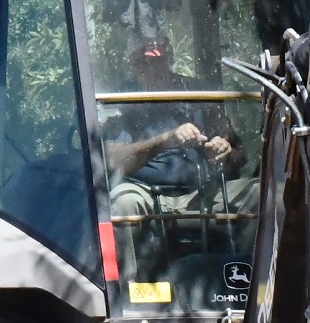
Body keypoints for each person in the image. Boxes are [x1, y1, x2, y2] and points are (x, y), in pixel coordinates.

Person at [103, 34, 247, 278]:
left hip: (203, 189)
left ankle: (262, 285)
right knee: (122, 204)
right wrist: (164, 140)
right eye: (143, 63)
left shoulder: (197, 94)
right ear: (133, 66)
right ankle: (125, 289)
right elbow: (111, 160)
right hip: (143, 190)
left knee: (259, 195)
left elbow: (240, 154)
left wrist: (224, 151)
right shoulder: (121, 100)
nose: (151, 69)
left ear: (168, 60)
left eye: (157, 61)